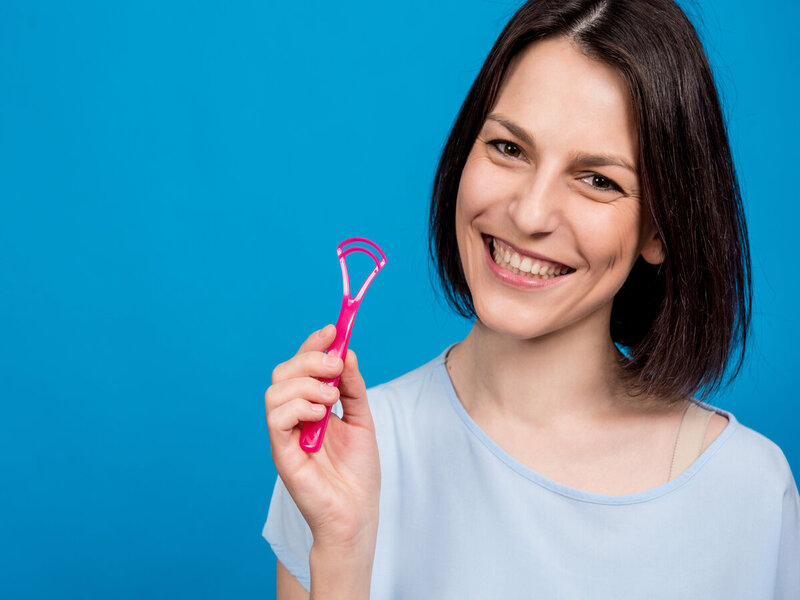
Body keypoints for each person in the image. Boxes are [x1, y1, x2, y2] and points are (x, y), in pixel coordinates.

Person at [262, 1, 800, 598]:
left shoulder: (750, 492)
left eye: (599, 180)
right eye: (509, 149)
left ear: (660, 230)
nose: (530, 213)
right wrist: (343, 548)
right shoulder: (337, 460)